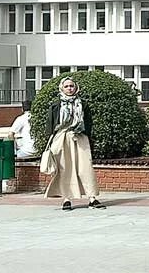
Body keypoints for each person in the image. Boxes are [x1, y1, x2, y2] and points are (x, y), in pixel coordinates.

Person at [41, 77, 104, 211]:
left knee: (85, 167)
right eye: (67, 86)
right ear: (61, 88)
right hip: (62, 138)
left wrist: (88, 137)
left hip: (80, 137)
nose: (69, 88)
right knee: (65, 169)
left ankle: (92, 198)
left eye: (71, 86)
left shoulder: (83, 104)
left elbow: (88, 123)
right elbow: (50, 125)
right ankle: (67, 199)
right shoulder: (56, 105)